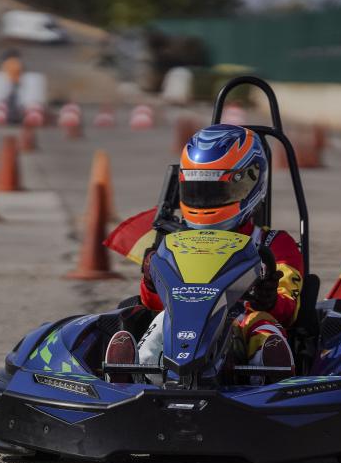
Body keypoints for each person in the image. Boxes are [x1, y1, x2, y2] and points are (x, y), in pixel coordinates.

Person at [105, 124, 303, 381]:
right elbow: (153, 305)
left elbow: (290, 310)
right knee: (161, 322)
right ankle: (131, 375)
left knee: (261, 325)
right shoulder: (175, 241)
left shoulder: (274, 242)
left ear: (250, 184)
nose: (205, 202)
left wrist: (270, 300)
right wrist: (151, 282)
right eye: (197, 192)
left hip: (241, 324)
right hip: (183, 321)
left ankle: (269, 375)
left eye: (217, 192)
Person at [1, 50, 24, 124]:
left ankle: (12, 117)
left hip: (12, 82)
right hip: (13, 82)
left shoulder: (8, 62)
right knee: (12, 101)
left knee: (11, 101)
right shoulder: (14, 62)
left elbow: (6, 71)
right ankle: (13, 118)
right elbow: (18, 70)